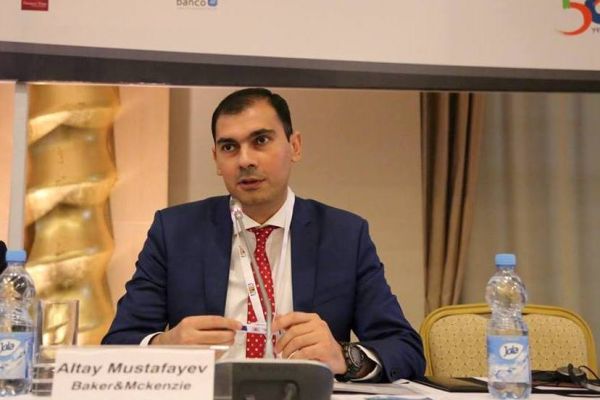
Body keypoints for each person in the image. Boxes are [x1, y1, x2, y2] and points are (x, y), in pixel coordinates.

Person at [102, 88, 425, 382]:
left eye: (260, 141)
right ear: (216, 159)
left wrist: (344, 356)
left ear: (294, 146)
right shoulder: (175, 231)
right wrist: (165, 345)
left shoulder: (343, 235)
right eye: (229, 147)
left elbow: (405, 349)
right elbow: (117, 344)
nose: (245, 160)